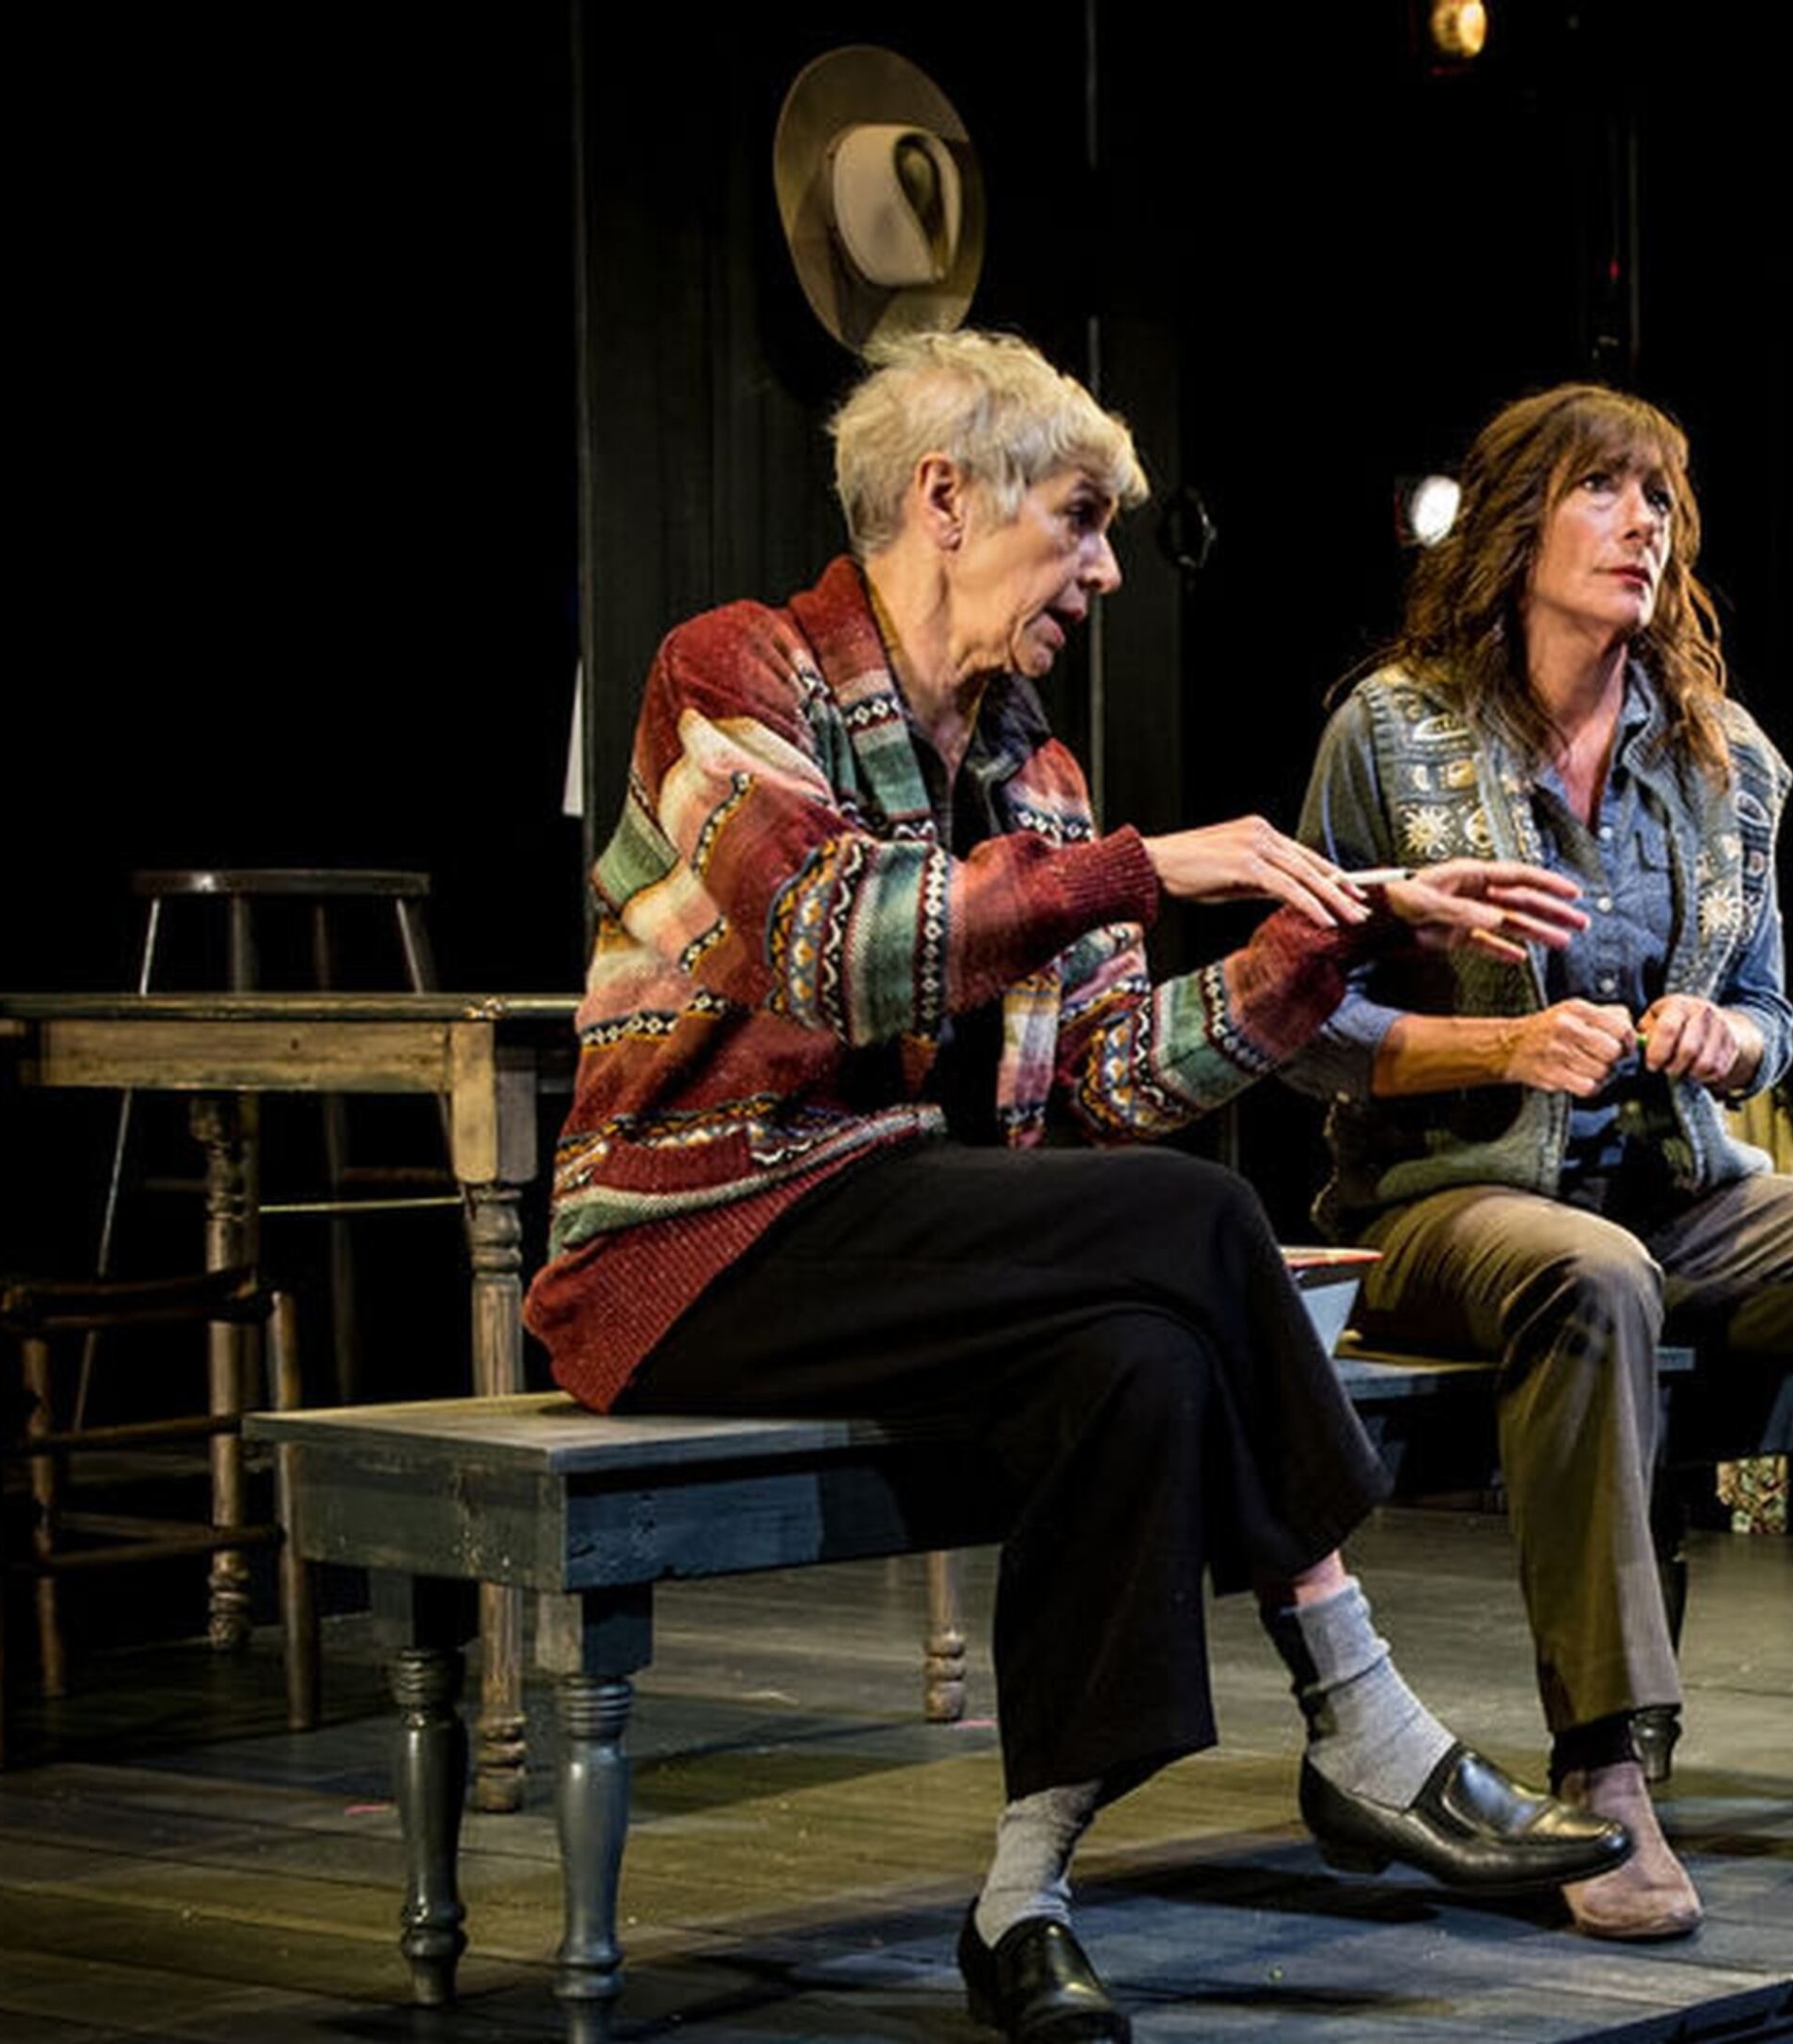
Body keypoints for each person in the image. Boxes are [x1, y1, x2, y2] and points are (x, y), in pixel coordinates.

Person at [523, 329, 1628, 2044]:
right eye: (1084, 518)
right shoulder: (736, 676)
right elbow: (833, 949)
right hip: (693, 1240)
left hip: (898, 1240)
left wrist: (1324, 938)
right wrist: (1146, 863)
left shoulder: (1033, 766)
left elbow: (1113, 1082)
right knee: (1198, 1226)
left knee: (1145, 1362)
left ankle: (1019, 1899)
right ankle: (1361, 1707)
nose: (1108, 568)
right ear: (945, 499)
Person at [1287, 383, 1793, 1942]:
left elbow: (1777, 1011)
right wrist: (1498, 1050)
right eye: (1607, 492)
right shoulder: (1391, 732)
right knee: (1591, 1273)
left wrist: (1732, 1041)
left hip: (1679, 1186)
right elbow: (1299, 1016)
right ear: (1521, 528)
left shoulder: (1725, 760)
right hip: (1451, 1204)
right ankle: (1608, 1769)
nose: (1646, 525)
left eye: (1661, 502)